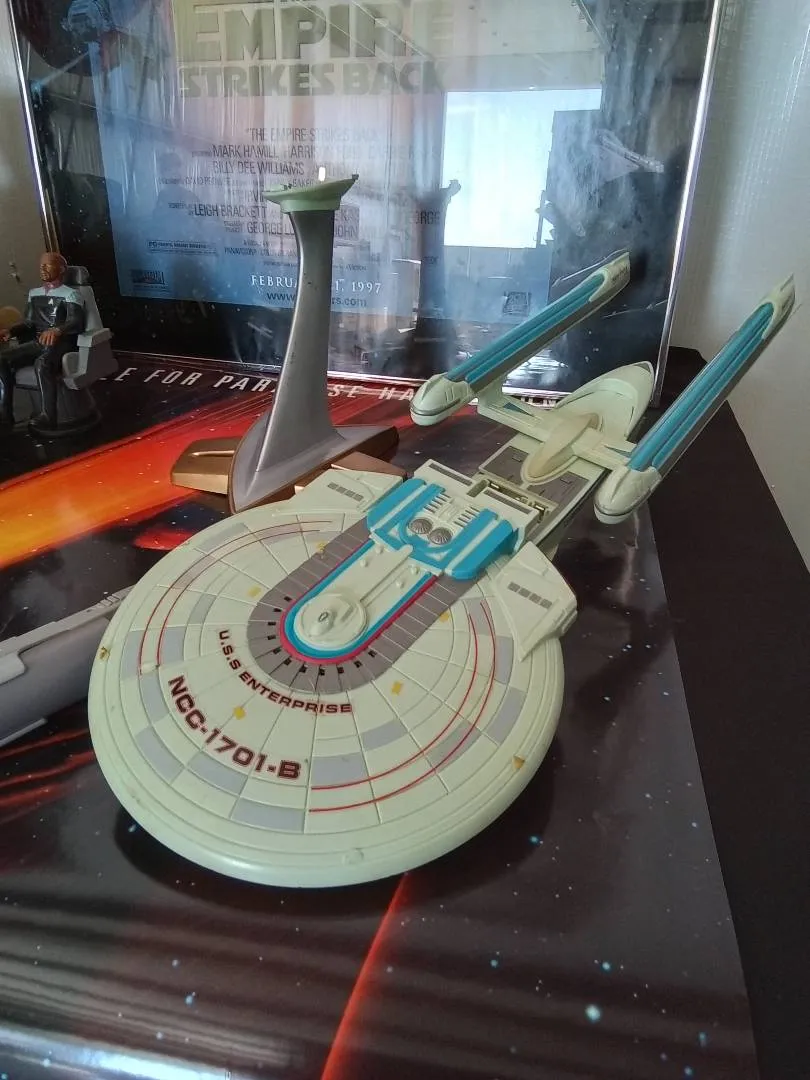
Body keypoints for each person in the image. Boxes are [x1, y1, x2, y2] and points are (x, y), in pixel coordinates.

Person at [0, 251, 86, 433]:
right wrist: (11, 331)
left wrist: (57, 330)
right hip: (39, 341)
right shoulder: (34, 294)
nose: (42, 269)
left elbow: (76, 322)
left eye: (47, 265)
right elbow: (29, 323)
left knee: (43, 363)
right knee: (2, 359)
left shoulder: (71, 294)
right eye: (41, 265)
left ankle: (48, 416)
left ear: (61, 269)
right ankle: (5, 414)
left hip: (61, 343)